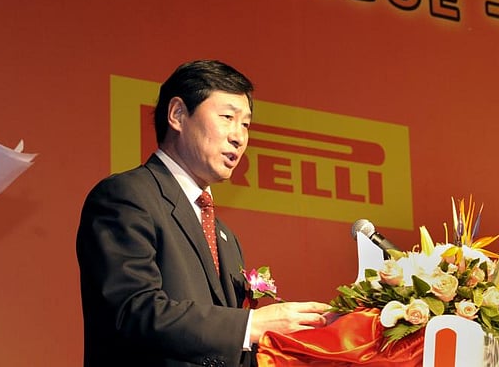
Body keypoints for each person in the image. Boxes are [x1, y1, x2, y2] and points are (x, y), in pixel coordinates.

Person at [77, 60, 331, 367]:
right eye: (227, 118)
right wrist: (249, 325)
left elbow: (224, 346)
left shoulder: (225, 237)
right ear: (177, 115)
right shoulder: (127, 196)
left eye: (246, 124)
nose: (239, 137)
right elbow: (134, 310)